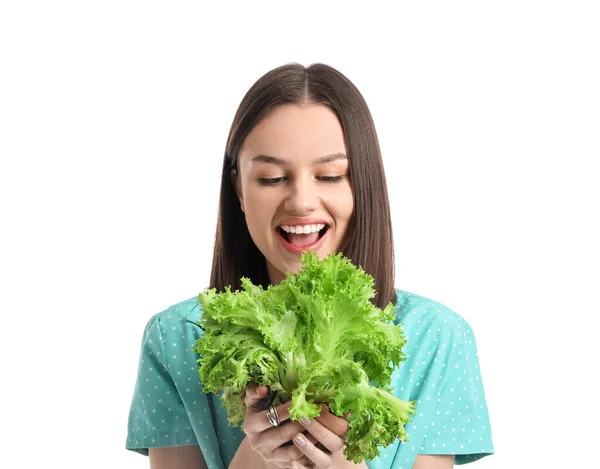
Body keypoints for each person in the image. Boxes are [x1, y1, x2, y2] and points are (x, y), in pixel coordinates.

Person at [125, 62, 494, 469]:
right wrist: (259, 453)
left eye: (330, 175)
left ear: (362, 186)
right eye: (270, 178)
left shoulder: (435, 339)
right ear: (239, 189)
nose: (301, 201)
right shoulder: (176, 340)